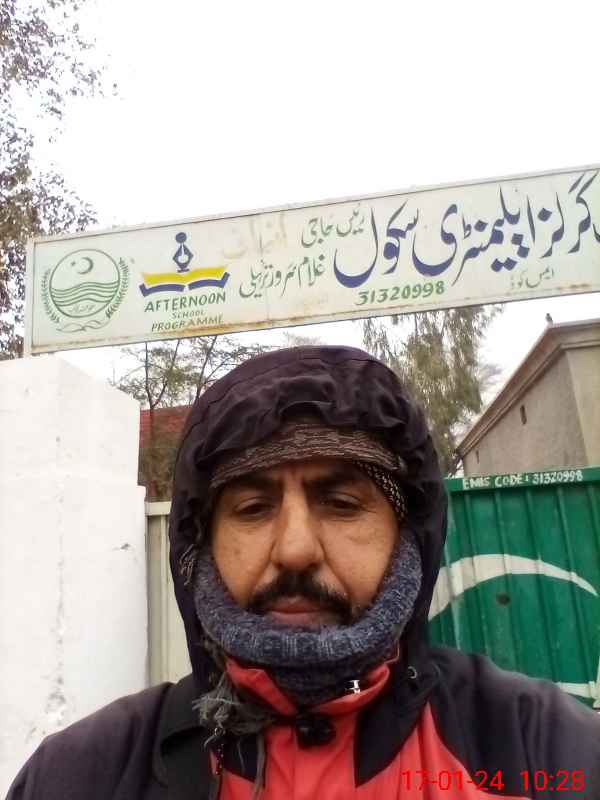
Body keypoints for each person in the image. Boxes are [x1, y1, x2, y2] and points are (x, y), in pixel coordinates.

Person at [7, 345, 600, 799]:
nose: (295, 550)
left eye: (340, 504)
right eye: (252, 508)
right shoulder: (81, 776)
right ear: (202, 546)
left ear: (407, 537)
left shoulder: (545, 753)